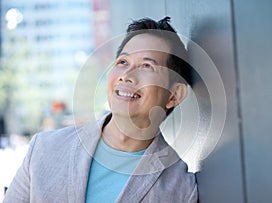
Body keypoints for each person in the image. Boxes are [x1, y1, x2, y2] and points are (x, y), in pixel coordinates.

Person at [4, 17, 199, 203]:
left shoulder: (181, 189)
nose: (126, 76)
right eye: (123, 62)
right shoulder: (44, 150)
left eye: (147, 66)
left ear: (174, 95)